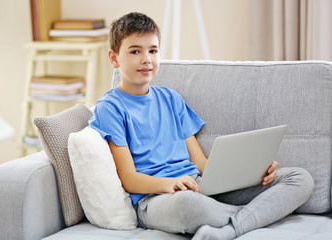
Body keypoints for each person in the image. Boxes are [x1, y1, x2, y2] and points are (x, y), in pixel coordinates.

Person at [89, 12, 314, 240]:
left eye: (153, 50)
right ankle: (261, 214)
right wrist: (169, 184)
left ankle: (230, 229)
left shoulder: (171, 98)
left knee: (299, 178)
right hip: (157, 199)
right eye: (135, 51)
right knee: (189, 206)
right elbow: (129, 178)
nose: (146, 59)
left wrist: (253, 172)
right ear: (114, 58)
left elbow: (201, 164)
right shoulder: (110, 107)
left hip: (200, 187)